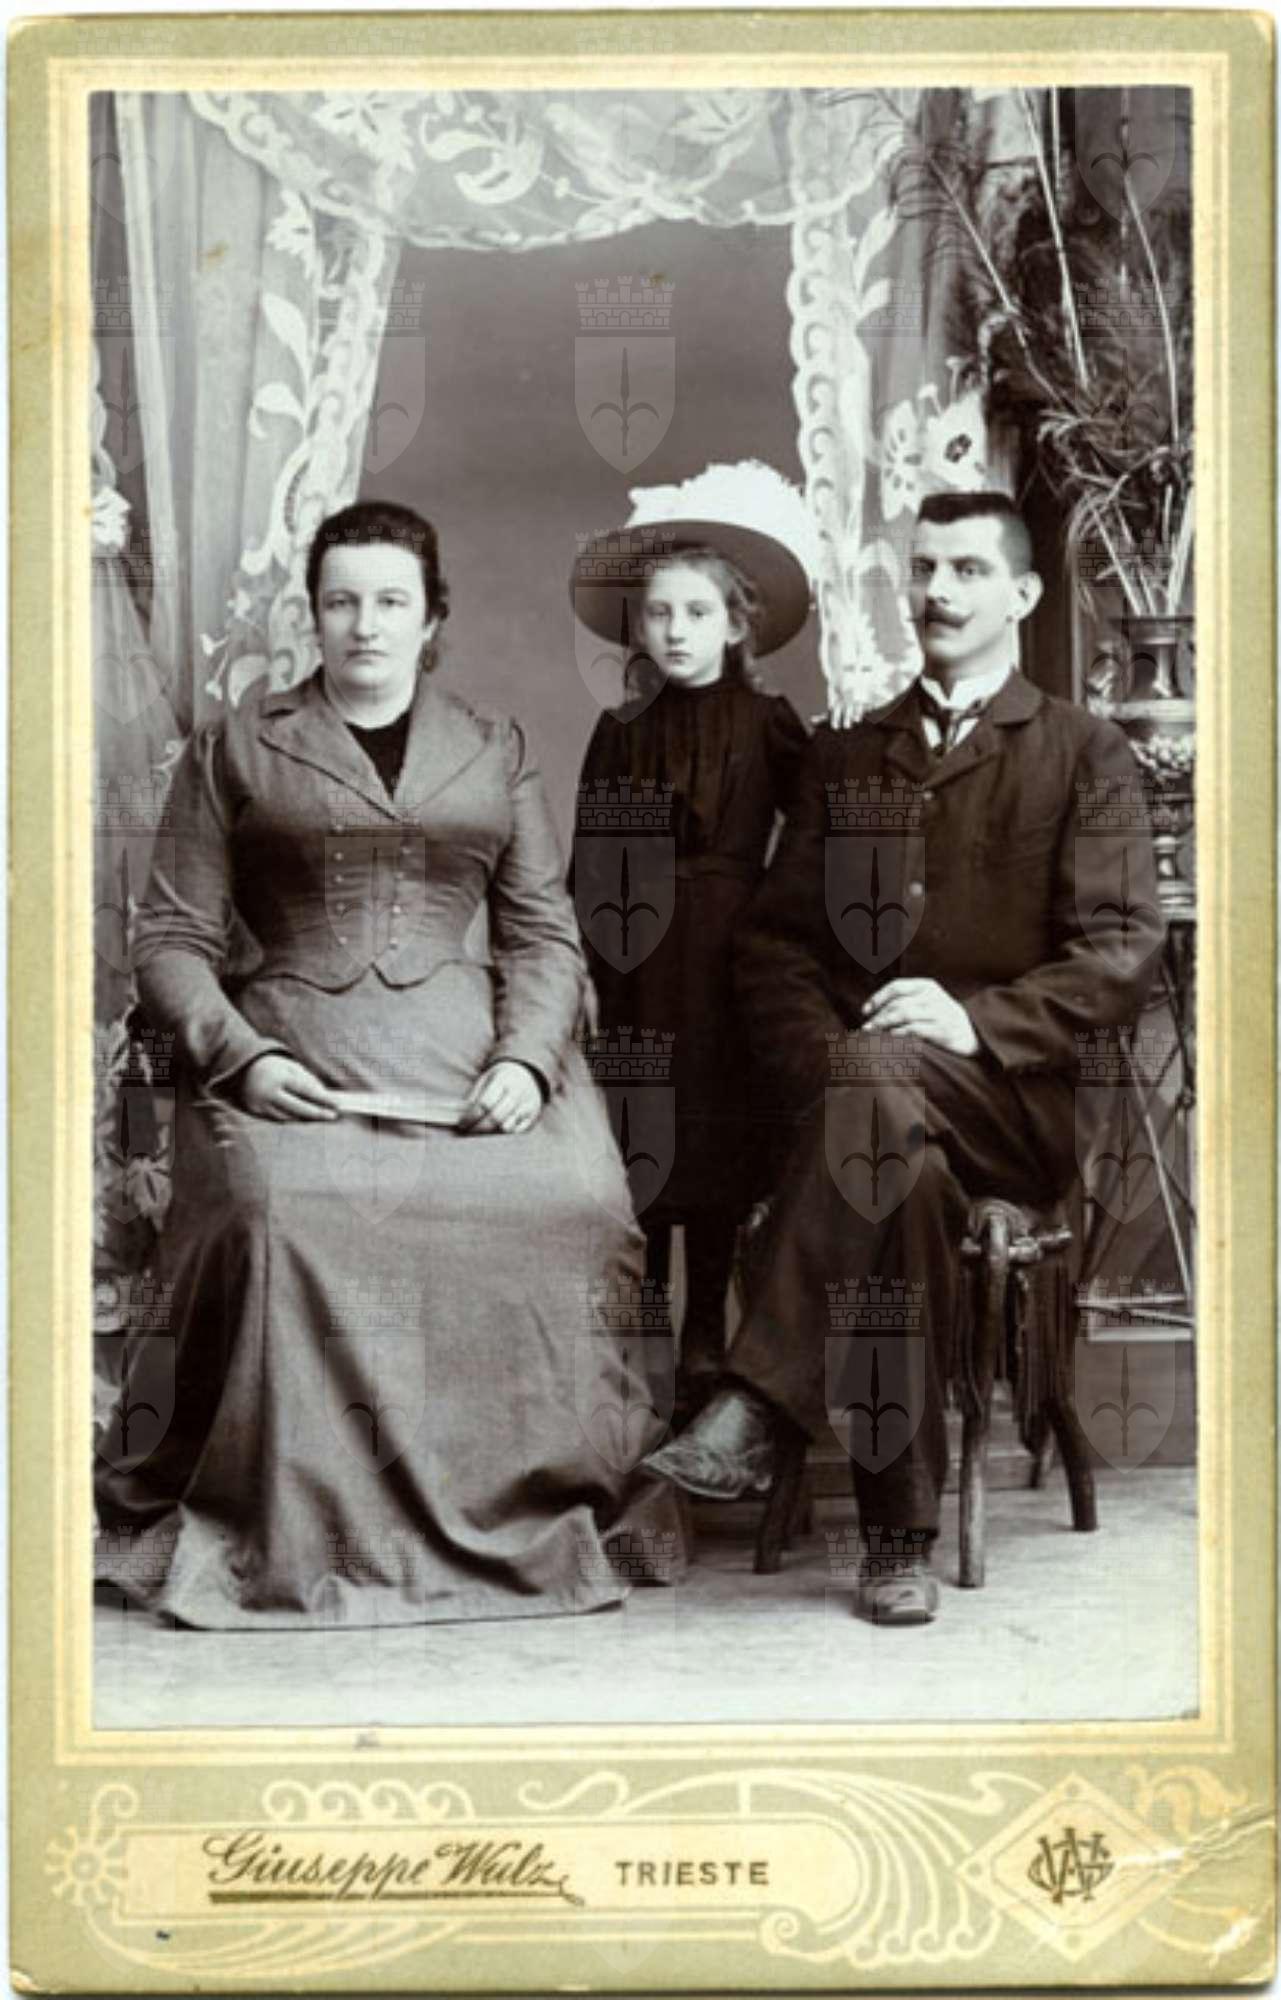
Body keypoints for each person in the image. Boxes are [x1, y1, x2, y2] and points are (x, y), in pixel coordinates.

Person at [95, 499, 679, 1630]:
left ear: (432, 619)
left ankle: (522, 1499)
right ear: (313, 616)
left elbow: (542, 933)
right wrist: (241, 1058)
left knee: (572, 1199)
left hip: (469, 1056)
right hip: (293, 1056)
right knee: (279, 1212)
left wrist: (527, 1060)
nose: (365, 624)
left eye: (391, 602)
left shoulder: (493, 744)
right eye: (342, 601)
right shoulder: (238, 744)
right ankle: (302, 1520)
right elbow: (170, 938)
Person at [642, 490, 1164, 1625]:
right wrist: (838, 1066)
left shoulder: (1083, 752)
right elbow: (774, 949)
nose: (936, 591)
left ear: (1022, 595)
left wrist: (975, 1023)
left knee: (878, 1105)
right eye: (923, 568)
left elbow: (1121, 950)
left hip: (1013, 1107)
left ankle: (755, 1397)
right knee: (897, 1175)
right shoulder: (847, 754)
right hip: (873, 1114)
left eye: (966, 571)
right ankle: (895, 1542)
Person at [571, 463, 811, 1420]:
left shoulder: (769, 724)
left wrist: (775, 926)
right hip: (636, 957)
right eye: (659, 614)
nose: (674, 631)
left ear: (736, 625)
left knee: (717, 1143)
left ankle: (708, 1332)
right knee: (642, 1144)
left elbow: (818, 842)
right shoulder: (621, 729)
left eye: (696, 614)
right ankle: (645, 1339)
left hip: (731, 960)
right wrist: (589, 969)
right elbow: (591, 857)